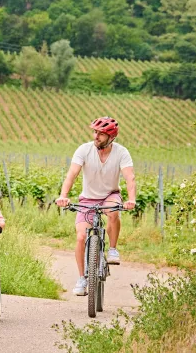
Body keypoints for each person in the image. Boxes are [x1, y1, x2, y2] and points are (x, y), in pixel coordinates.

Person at [55, 116, 136, 296]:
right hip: (88, 200)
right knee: (80, 237)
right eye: (95, 132)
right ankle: (82, 278)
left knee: (114, 210)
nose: (96, 136)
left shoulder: (122, 153)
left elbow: (130, 177)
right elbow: (72, 175)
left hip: (110, 195)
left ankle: (113, 249)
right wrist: (63, 196)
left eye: (101, 133)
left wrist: (131, 199)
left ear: (111, 137)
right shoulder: (84, 150)